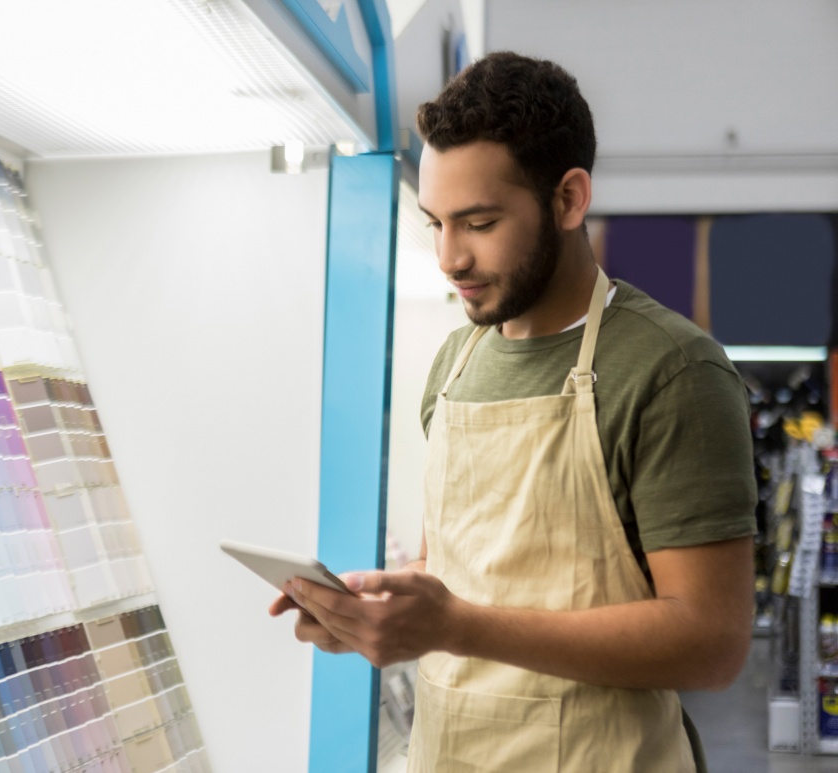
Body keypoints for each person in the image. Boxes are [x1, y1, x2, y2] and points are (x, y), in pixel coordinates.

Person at [269, 51, 757, 771]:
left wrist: (459, 626)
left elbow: (711, 642)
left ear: (568, 199)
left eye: (478, 222)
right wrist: (380, 618)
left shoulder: (671, 371)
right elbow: (456, 573)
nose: (449, 257)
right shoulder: (454, 365)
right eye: (435, 222)